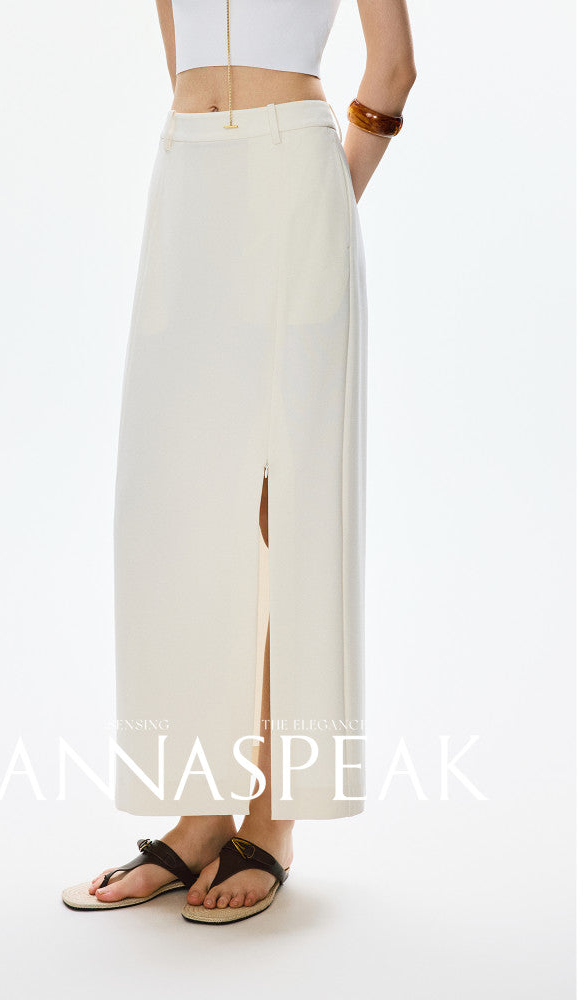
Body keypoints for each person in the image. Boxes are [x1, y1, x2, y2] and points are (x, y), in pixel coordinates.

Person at [63, 0, 416, 923]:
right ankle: (200, 816)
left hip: (295, 176)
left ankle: (273, 816)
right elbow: (184, 65)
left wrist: (326, 202)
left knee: (283, 505)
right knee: (179, 501)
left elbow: (393, 67)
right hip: (188, 179)